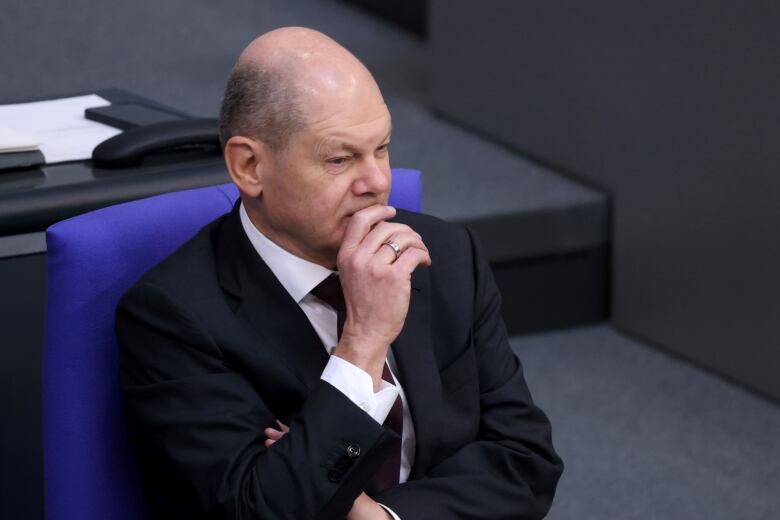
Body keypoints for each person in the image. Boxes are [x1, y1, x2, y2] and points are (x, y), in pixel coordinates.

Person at [116, 27, 563, 520]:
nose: (377, 182)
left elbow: (527, 462)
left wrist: (380, 517)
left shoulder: (446, 255)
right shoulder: (174, 316)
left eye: (383, 148)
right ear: (249, 167)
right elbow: (256, 509)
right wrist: (363, 345)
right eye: (340, 158)